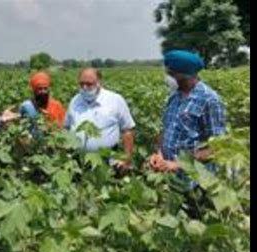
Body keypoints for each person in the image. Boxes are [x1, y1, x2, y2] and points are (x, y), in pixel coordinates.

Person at [148, 50, 226, 189]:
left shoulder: (209, 100)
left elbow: (217, 148)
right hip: (169, 178)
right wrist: (158, 154)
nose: (167, 77)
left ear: (183, 75)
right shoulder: (174, 96)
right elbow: (166, 129)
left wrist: (177, 165)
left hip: (194, 183)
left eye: (170, 73)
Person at [65, 68, 136, 171]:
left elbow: (128, 130)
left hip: (107, 162)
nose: (84, 88)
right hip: (78, 162)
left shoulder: (115, 100)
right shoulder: (75, 101)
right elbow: (66, 128)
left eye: (89, 84)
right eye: (81, 84)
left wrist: (126, 159)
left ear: (99, 83)